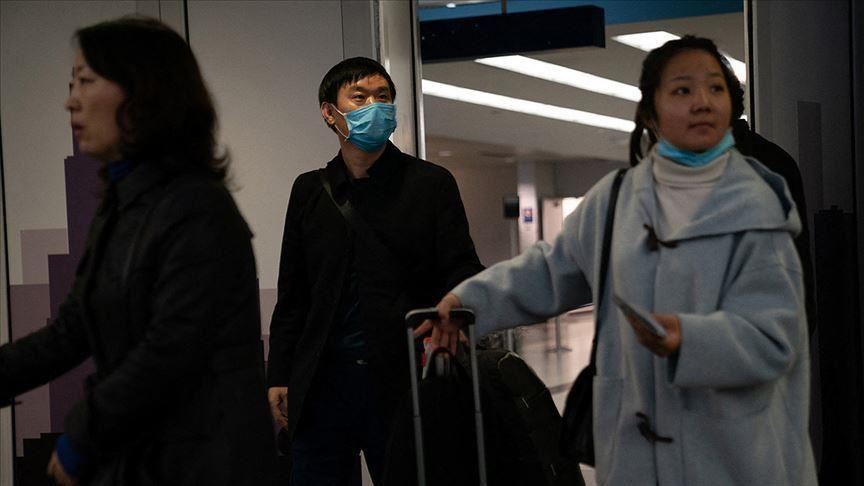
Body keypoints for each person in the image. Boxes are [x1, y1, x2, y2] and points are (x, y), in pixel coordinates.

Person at [423, 36, 817, 485]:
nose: (702, 103)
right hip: (636, 452)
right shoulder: (615, 200)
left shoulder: (758, 203)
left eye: (715, 89)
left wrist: (691, 340)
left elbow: (778, 332)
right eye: (682, 90)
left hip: (733, 453)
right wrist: (466, 302)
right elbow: (550, 270)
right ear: (650, 112)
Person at [0, 17, 274, 486]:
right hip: (145, 456)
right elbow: (74, 327)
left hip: (203, 464)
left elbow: (170, 351)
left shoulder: (197, 207)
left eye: (86, 81)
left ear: (144, 93)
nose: (70, 100)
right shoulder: (122, 203)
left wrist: (82, 433)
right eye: (72, 83)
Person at [265, 57, 483, 485]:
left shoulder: (429, 184)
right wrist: (280, 374)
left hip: (404, 380)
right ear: (330, 113)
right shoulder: (310, 191)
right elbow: (294, 293)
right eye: (359, 97)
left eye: (383, 97)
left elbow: (462, 266)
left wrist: (457, 310)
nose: (374, 107)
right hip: (323, 382)